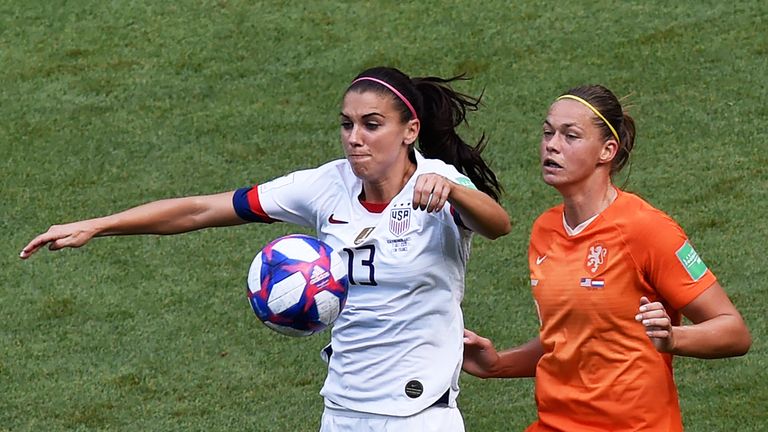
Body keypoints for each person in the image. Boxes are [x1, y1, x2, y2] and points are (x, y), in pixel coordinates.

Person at [20, 66, 512, 431]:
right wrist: (98, 225)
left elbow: (498, 225)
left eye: (371, 124)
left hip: (420, 414)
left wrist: (456, 191)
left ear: (410, 131)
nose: (354, 139)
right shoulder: (326, 186)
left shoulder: (437, 182)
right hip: (342, 409)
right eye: (347, 124)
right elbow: (201, 210)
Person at [461, 85, 751, 431]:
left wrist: (673, 338)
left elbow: (734, 332)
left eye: (571, 136)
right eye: (547, 132)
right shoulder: (545, 230)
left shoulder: (647, 230)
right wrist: (497, 364)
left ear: (607, 150)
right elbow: (569, 340)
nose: (552, 145)